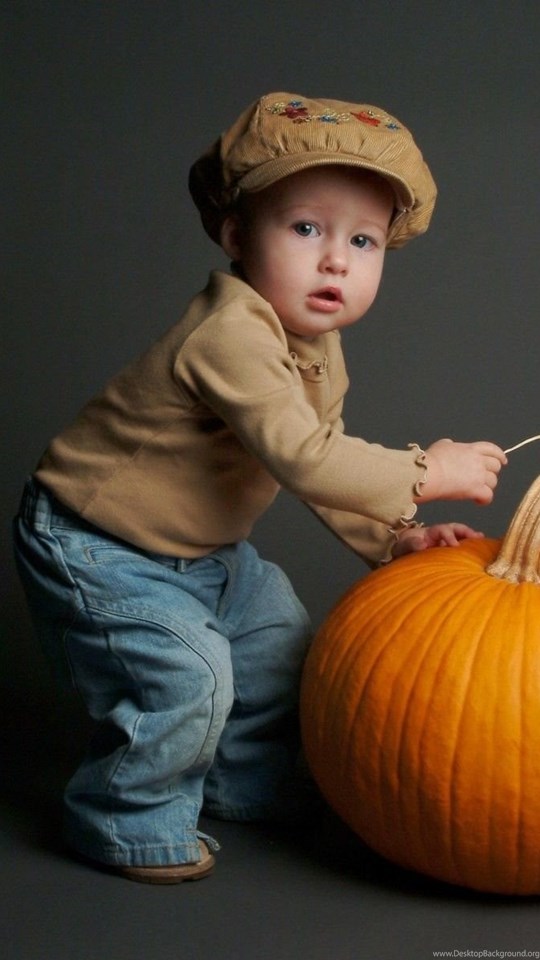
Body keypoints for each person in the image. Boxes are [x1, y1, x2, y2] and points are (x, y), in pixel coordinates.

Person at [13, 91, 507, 884]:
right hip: (98, 544)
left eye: (363, 240)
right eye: (306, 229)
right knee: (189, 674)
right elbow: (306, 458)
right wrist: (427, 470)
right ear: (238, 235)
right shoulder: (230, 332)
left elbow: (323, 462)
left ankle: (243, 782)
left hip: (202, 551)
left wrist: (396, 537)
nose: (336, 260)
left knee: (279, 645)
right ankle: (125, 819)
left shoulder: (315, 345)